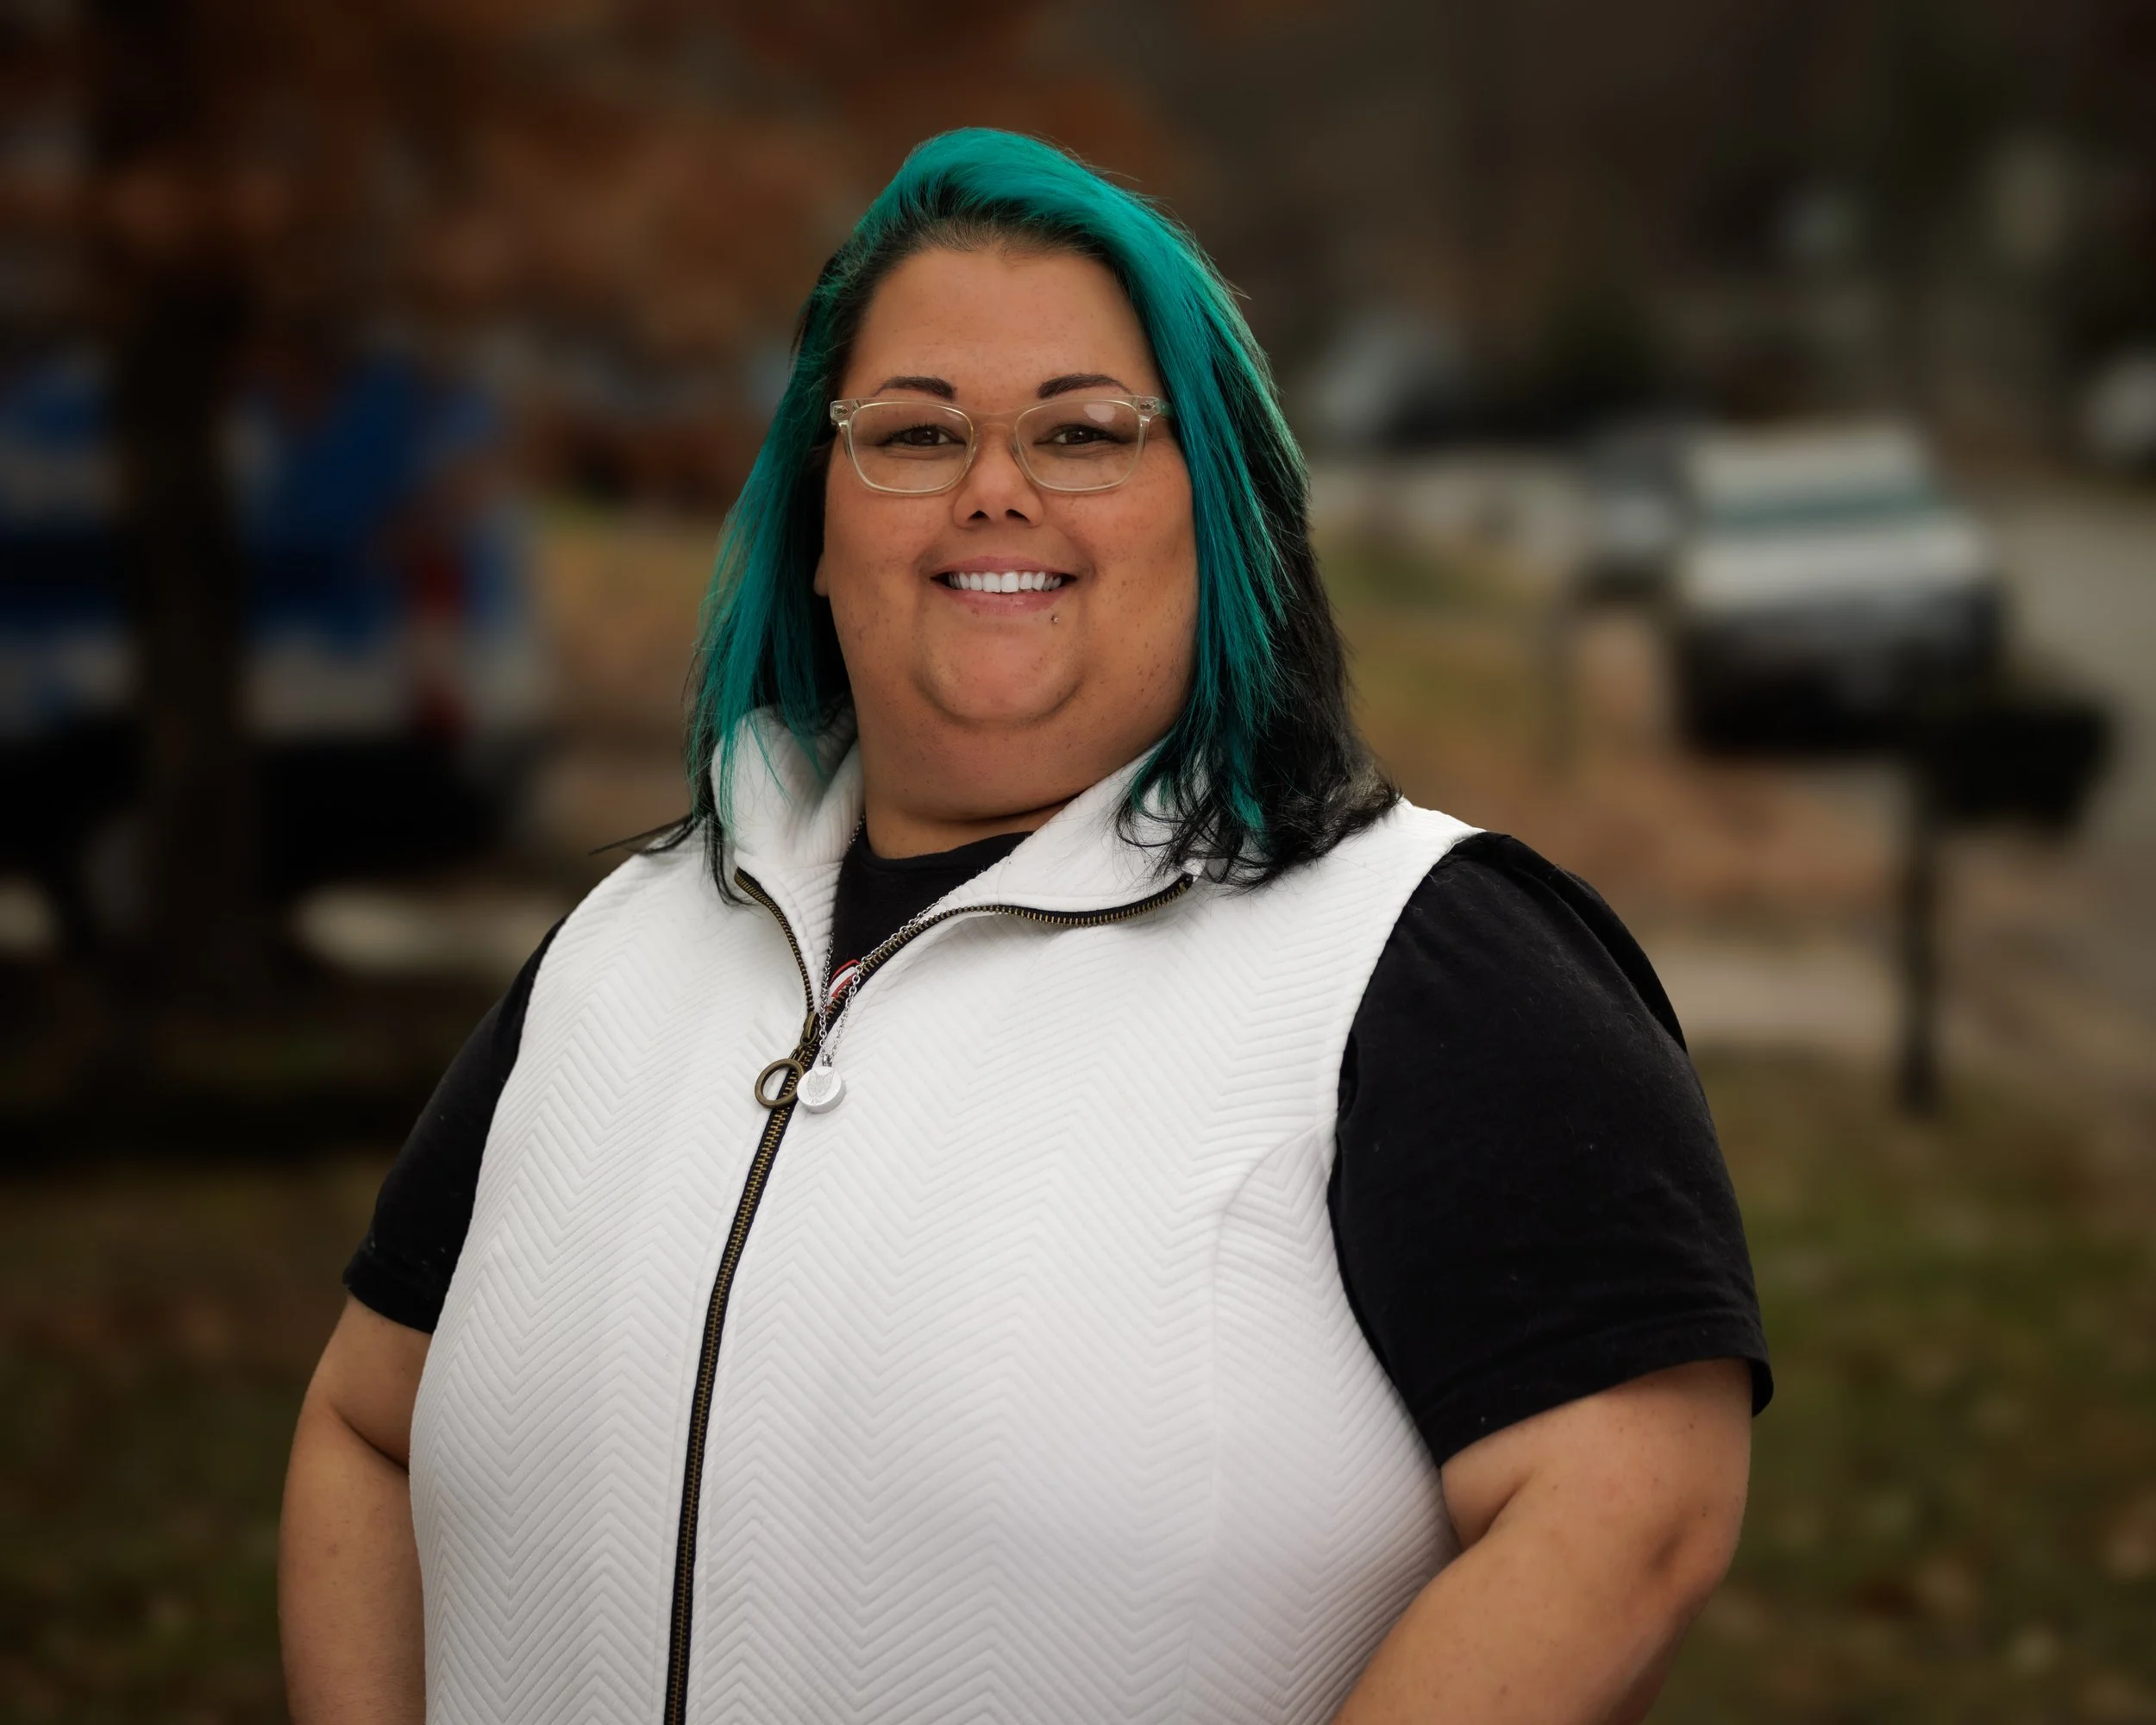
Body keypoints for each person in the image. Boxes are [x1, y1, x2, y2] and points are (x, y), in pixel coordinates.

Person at [280, 129, 1770, 1725]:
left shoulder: (1425, 957)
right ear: (816, 522)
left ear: (1223, 515)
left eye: (1084, 432)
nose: (995, 489)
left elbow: (1638, 1509)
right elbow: (366, 1424)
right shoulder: (619, 944)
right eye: (914, 434)